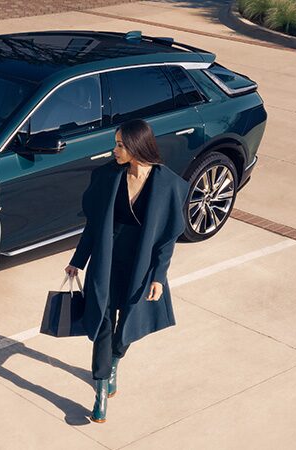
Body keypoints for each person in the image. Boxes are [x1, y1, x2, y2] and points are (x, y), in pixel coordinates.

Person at [64, 118, 190, 424]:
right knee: (103, 323)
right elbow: (94, 226)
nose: (115, 150)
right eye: (117, 143)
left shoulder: (168, 184)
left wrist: (159, 276)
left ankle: (116, 360)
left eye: (120, 144)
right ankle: (100, 390)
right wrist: (78, 260)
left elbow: (166, 238)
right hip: (107, 259)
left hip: (141, 264)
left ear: (136, 146)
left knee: (128, 323)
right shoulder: (108, 177)